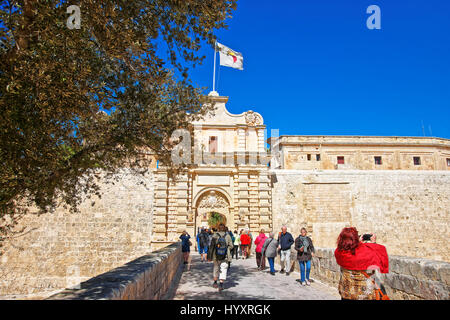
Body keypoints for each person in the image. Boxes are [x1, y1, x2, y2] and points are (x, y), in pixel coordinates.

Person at [334, 227, 389, 300]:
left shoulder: (339, 253)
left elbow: (349, 250)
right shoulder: (366, 252)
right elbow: (379, 253)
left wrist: (357, 243)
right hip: (365, 295)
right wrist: (373, 243)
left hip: (347, 293)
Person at [207, 223, 233, 292]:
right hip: (225, 256)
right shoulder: (228, 236)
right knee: (223, 268)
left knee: (216, 268)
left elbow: (211, 246)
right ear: (224, 228)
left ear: (218, 228)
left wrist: (209, 256)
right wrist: (227, 249)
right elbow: (231, 246)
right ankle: (221, 284)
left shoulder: (215, 235)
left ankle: (215, 283)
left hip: (216, 255)